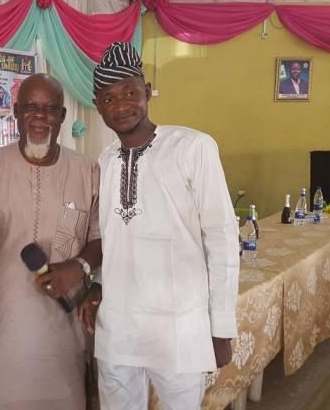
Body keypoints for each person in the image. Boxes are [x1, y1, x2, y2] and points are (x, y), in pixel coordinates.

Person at [80, 42, 240, 410]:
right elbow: (112, 236)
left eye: (130, 93)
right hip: (118, 326)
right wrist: (98, 287)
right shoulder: (103, 162)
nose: (120, 106)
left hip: (179, 328)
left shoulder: (193, 147)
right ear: (98, 106)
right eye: (108, 98)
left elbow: (222, 237)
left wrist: (221, 328)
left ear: (147, 92)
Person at [0, 73, 102, 410]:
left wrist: (79, 267)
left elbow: (100, 237)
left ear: (62, 116)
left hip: (63, 326)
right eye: (31, 107)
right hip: (1, 321)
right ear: (16, 112)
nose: (40, 116)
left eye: (50, 109)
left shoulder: (88, 172)